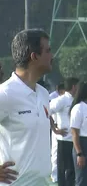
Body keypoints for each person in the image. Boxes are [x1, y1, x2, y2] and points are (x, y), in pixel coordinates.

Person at [0, 29, 63, 185]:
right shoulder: (5, 94)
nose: (52, 56)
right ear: (34, 56)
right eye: (47, 51)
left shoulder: (43, 93)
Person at [50, 77, 80, 186]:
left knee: (72, 168)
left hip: (75, 139)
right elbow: (47, 111)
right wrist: (55, 129)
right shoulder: (61, 100)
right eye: (78, 85)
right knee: (63, 169)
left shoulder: (76, 100)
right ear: (73, 86)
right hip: (64, 139)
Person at [50, 81, 65, 183]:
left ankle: (61, 175)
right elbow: (48, 112)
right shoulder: (55, 99)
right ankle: (54, 175)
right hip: (56, 130)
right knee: (55, 153)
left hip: (64, 132)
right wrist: (54, 128)